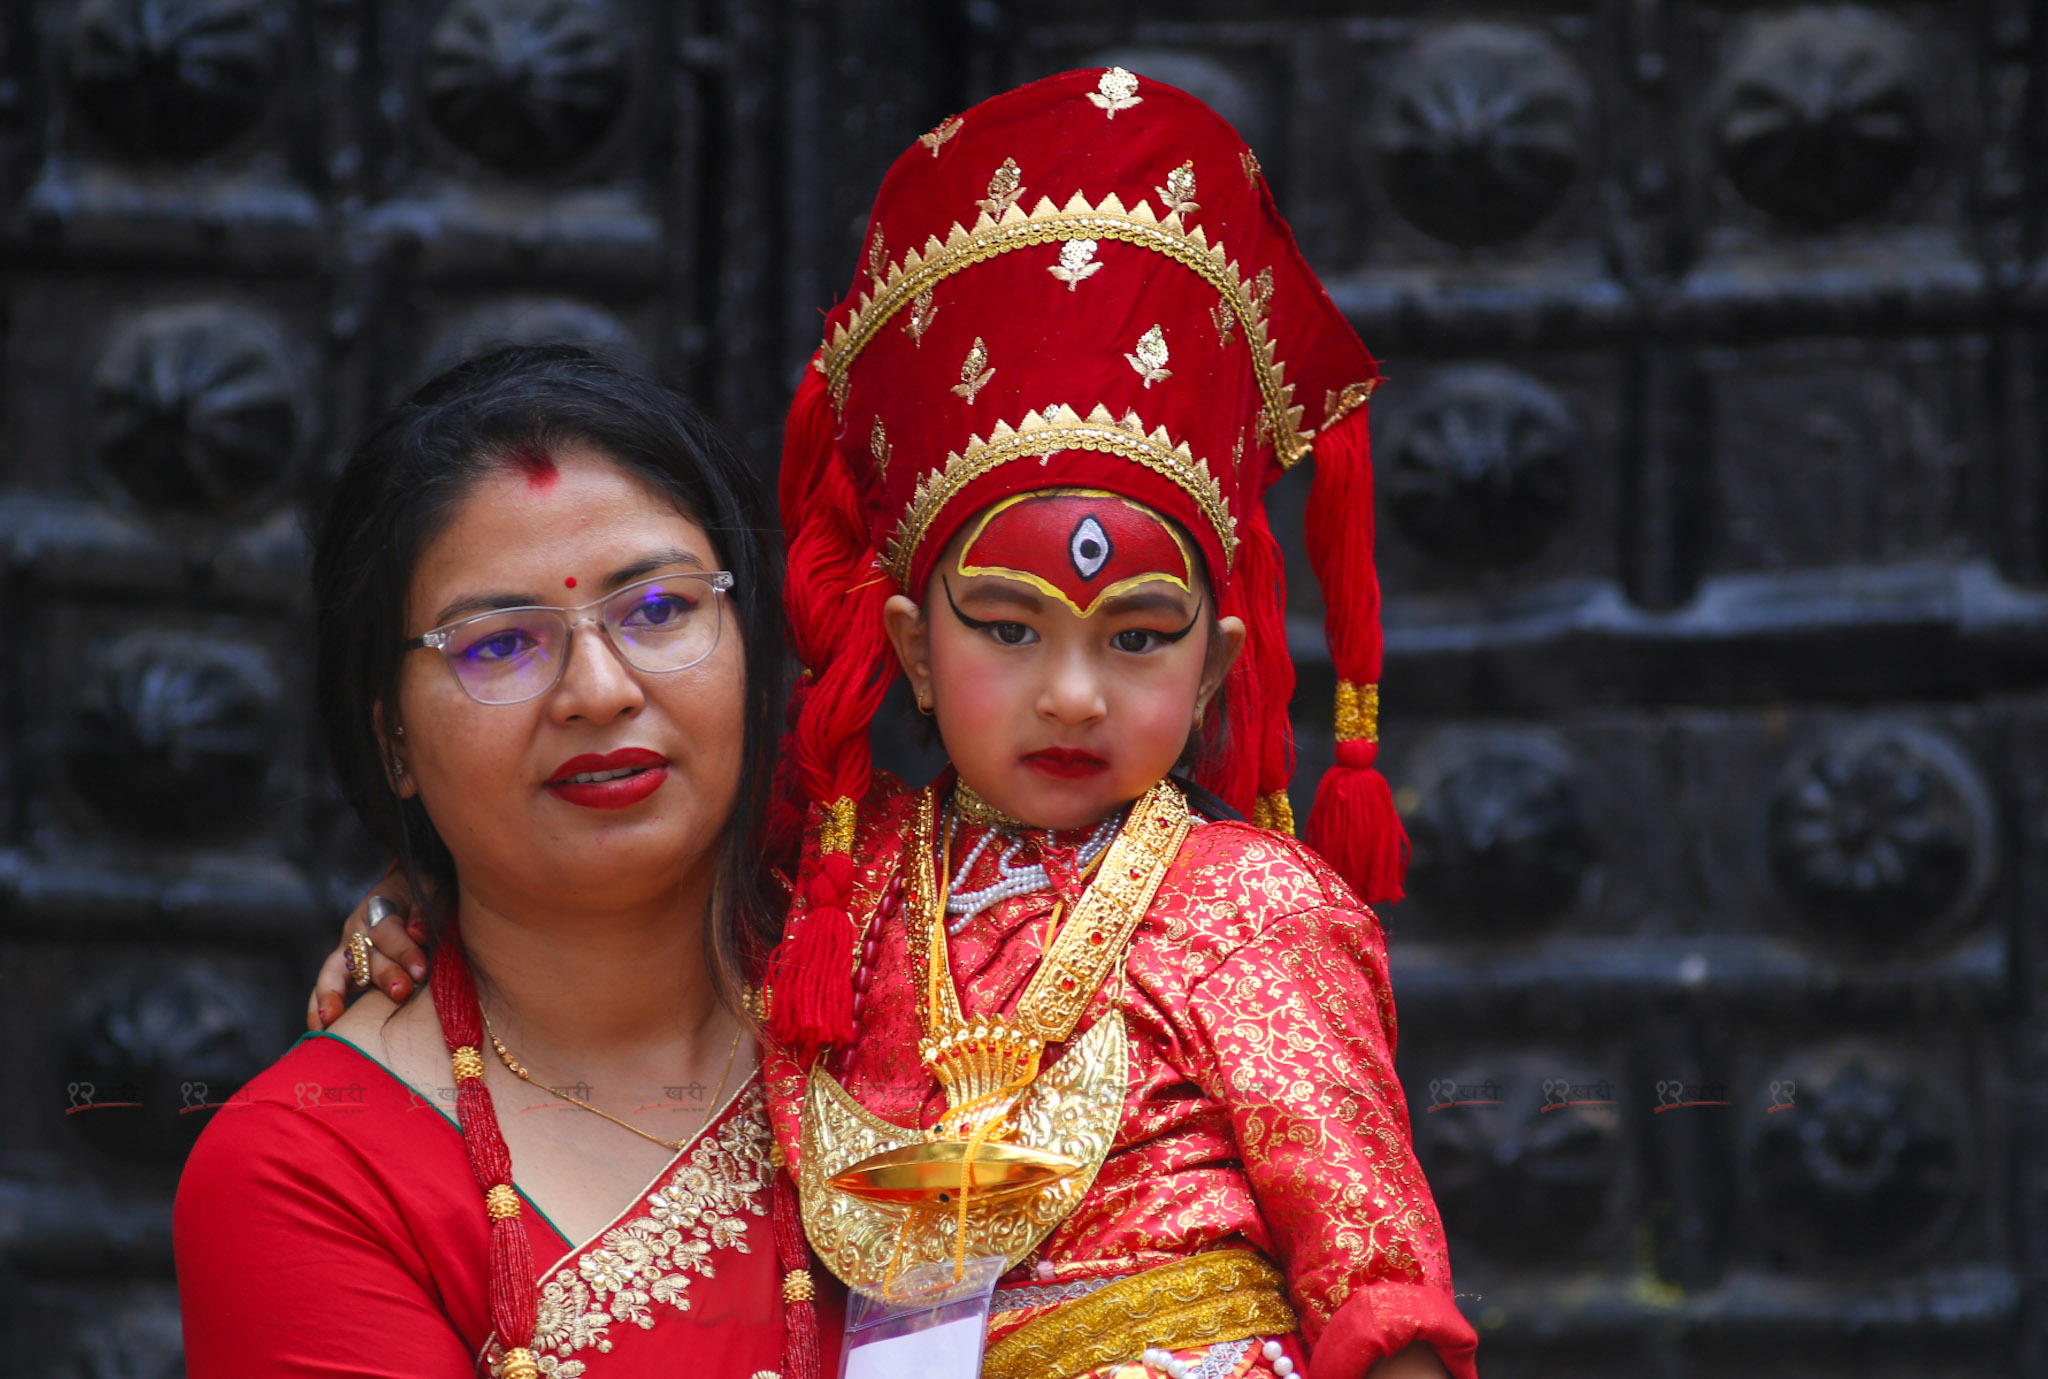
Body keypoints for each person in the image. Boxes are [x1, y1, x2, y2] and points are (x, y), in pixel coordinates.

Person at [317, 70, 1476, 1379]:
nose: (1075, 691)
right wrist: (417, 887)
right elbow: (589, 868)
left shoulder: (1253, 907)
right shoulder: (839, 881)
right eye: (1009, 627)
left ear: (1217, 667)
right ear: (916, 648)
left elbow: (1374, 1266)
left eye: (1140, 637)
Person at [175, 346, 833, 1379]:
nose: (598, 688)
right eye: (498, 645)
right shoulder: (309, 1166)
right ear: (392, 738)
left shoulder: (938, 984)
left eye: (659, 609)